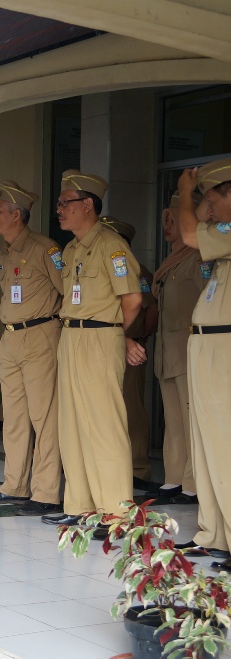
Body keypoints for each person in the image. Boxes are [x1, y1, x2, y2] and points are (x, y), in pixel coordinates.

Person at [42, 170, 143, 529]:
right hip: (71, 336)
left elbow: (131, 298)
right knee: (71, 424)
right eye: (59, 203)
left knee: (104, 425)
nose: (59, 209)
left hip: (100, 338)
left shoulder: (111, 244)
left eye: (65, 202)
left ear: (87, 205)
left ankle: (116, 513)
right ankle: (80, 506)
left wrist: (115, 333)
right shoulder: (70, 249)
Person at [0, 181, 65, 517]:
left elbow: (66, 292)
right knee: (13, 418)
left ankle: (46, 491)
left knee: (44, 417)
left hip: (41, 335)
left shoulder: (46, 250)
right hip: (11, 338)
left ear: (17, 215)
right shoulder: (4, 254)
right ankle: (14, 485)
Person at [174, 157, 231, 564]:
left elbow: (190, 233)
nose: (206, 211)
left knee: (224, 442)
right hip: (206, 344)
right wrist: (192, 194)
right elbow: (191, 230)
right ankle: (213, 533)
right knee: (205, 440)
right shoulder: (221, 236)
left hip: (224, 347)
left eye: (211, 201)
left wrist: (183, 191)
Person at [149, 193, 206, 505]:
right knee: (172, 419)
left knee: (190, 420)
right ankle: (173, 478)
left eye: (174, 218)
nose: (168, 224)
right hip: (168, 352)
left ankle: (193, 483)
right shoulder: (171, 263)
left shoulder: (197, 260)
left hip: (187, 351)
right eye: (165, 219)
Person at [99, 216, 159, 492]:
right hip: (101, 345)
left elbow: (150, 308)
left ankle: (138, 468)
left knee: (131, 408)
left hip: (129, 347)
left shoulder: (138, 272)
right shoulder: (102, 268)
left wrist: (140, 337)